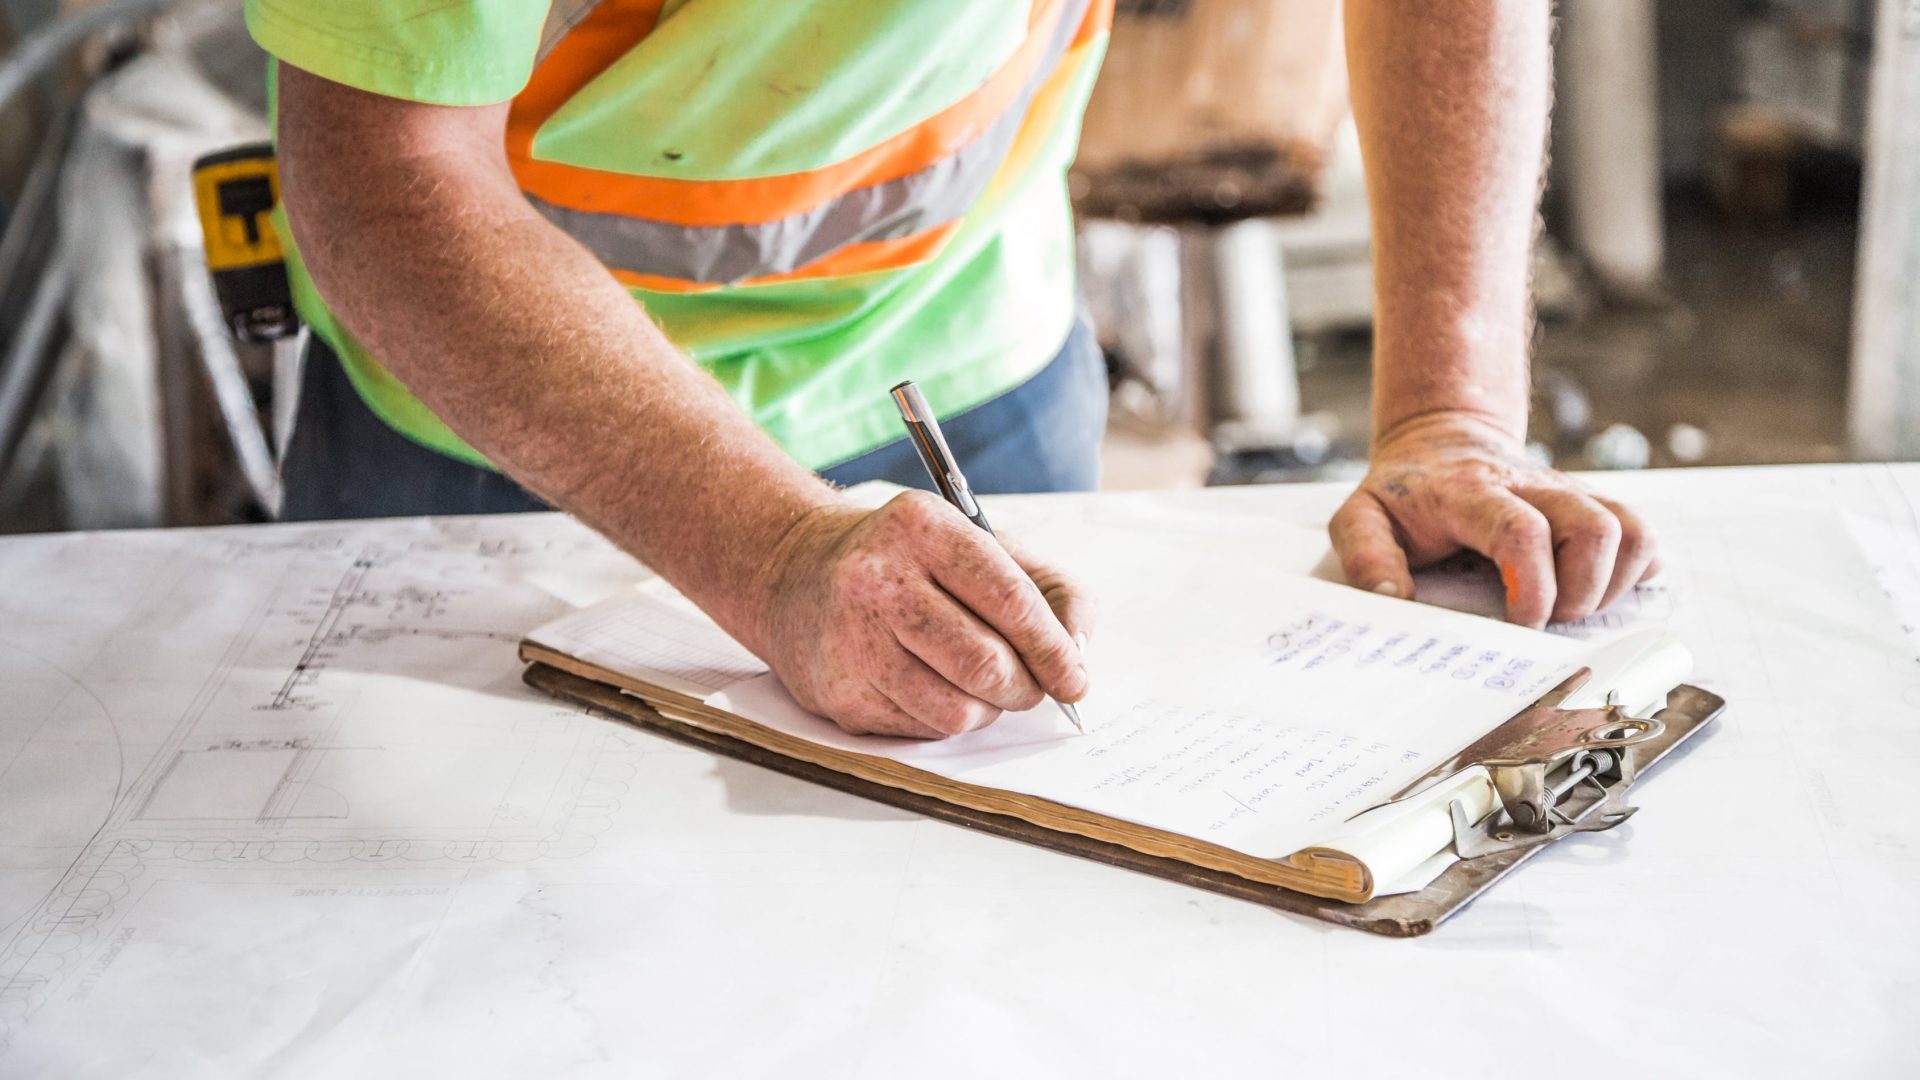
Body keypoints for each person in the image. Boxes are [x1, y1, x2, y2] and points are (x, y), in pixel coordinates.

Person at [248, 0, 1658, 739]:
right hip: (503, 436)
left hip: (972, 363)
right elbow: (386, 172)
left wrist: (1448, 414)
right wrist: (764, 545)